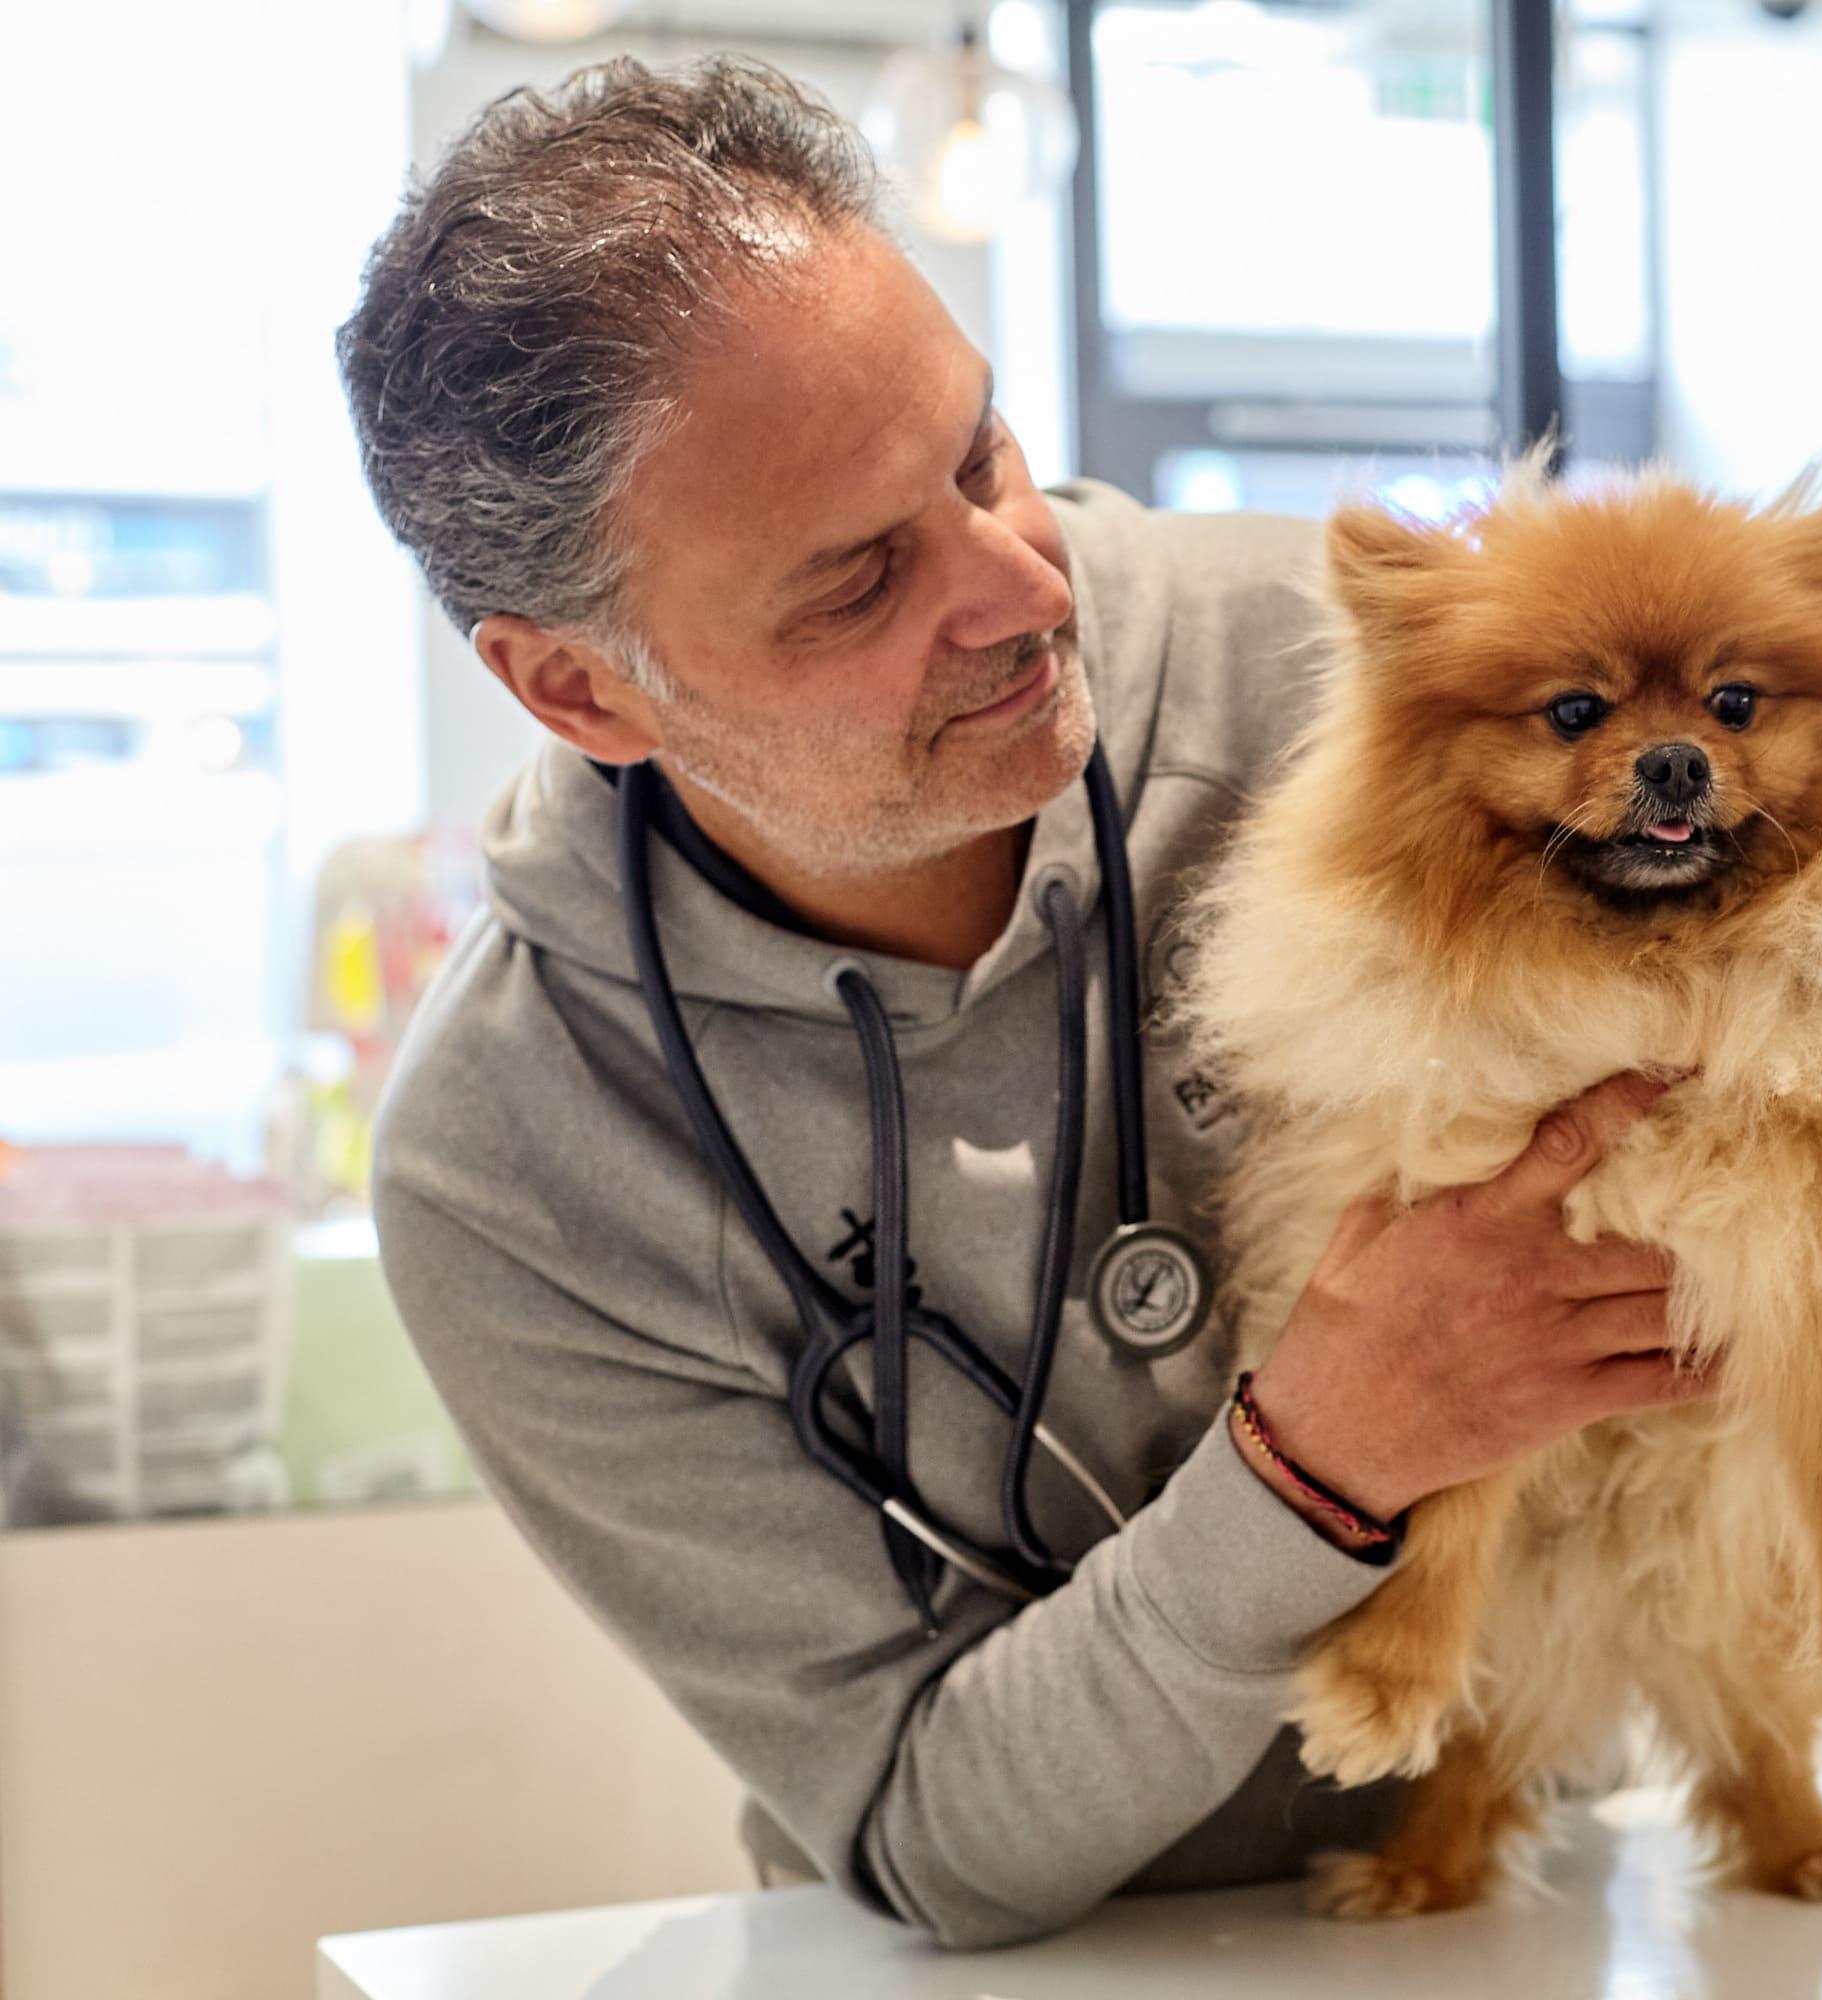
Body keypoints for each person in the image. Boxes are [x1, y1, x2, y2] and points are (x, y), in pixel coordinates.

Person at [338, 54, 1713, 1949]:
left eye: (977, 452)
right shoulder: (519, 1161)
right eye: (854, 583)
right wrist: (1315, 1465)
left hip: (1533, 1896)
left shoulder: (1363, 678)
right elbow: (921, 1834)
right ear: (584, 693)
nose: (1014, 585)